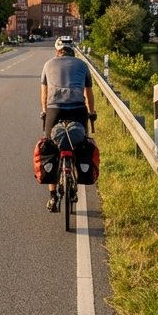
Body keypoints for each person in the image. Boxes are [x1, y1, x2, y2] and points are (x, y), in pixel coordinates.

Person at [40, 36, 96, 211]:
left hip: (54, 109)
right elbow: (88, 93)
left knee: (50, 147)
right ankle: (76, 175)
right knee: (80, 143)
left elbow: (44, 93)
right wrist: (91, 113)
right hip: (78, 109)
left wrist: (44, 112)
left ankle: (52, 197)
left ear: (58, 51)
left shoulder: (48, 65)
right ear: (73, 50)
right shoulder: (82, 65)